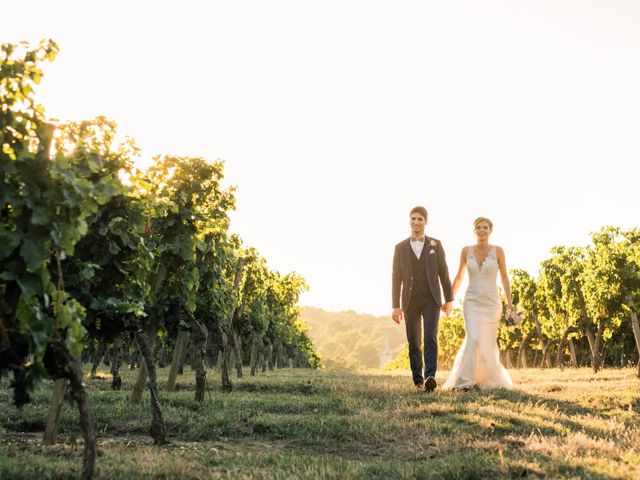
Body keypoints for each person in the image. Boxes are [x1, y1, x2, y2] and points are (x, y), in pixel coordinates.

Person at [442, 217, 514, 391]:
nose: (482, 230)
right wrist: (449, 299)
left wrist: (510, 304)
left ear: (490, 230)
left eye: (485, 227)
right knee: (473, 338)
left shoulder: (498, 251)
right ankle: (465, 382)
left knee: (487, 342)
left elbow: (504, 277)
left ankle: (487, 380)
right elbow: (459, 276)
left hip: (492, 303)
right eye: (478, 228)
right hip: (472, 302)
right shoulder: (466, 251)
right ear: (473, 231)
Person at [392, 206, 453, 392]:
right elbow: (396, 278)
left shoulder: (436, 244)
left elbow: (444, 273)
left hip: (432, 299)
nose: (416, 222)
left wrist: (448, 299)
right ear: (409, 221)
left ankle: (430, 377)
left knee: (430, 337)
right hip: (409, 300)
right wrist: (395, 306)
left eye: (419, 219)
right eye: (413, 219)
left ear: (426, 221)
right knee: (414, 341)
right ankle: (418, 380)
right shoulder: (400, 247)